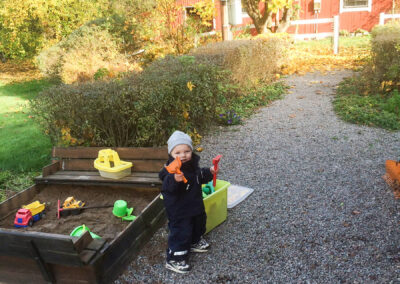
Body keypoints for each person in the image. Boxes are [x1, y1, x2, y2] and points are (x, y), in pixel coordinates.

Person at [159, 130, 218, 274]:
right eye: (177, 152)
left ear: (191, 151)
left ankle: (194, 241)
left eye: (186, 151)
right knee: (181, 232)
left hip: (194, 205)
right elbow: (166, 187)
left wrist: (210, 172)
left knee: (198, 223)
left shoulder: (192, 166)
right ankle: (174, 259)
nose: (183, 155)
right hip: (179, 211)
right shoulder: (170, 170)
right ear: (171, 154)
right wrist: (174, 180)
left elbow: (198, 177)